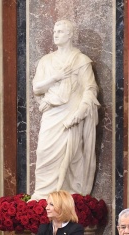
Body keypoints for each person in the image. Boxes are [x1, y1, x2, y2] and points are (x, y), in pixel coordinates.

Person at [32, 20, 99, 199]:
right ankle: (43, 195)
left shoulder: (81, 61)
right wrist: (55, 78)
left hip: (70, 114)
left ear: (70, 35)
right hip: (51, 114)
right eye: (54, 31)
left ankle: (66, 197)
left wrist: (80, 112)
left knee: (71, 157)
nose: (55, 34)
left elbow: (90, 89)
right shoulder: (46, 61)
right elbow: (36, 88)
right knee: (43, 152)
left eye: (60, 31)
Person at [18, 190, 84, 235]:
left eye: (51, 204)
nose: (47, 208)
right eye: (47, 204)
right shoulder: (44, 228)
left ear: (63, 207)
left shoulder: (76, 229)